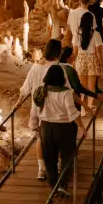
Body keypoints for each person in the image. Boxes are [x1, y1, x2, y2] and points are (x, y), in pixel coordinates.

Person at [39, 65, 87, 196]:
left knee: (49, 157)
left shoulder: (42, 90)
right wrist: (82, 127)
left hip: (45, 127)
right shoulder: (65, 92)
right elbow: (72, 112)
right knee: (67, 155)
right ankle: (62, 183)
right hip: (63, 127)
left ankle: (53, 185)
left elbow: (37, 108)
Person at [20, 39, 63, 180]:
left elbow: (25, 88)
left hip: (37, 107)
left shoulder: (35, 67)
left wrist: (18, 103)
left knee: (40, 138)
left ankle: (41, 169)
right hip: (53, 108)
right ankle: (56, 166)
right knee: (55, 138)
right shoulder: (57, 67)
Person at [73, 12, 103, 108]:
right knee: (91, 87)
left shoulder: (76, 34)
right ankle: (90, 106)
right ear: (91, 22)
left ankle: (82, 108)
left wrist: (74, 63)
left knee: (81, 86)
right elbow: (98, 51)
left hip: (81, 60)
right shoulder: (96, 34)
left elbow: (75, 51)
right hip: (92, 60)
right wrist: (101, 64)